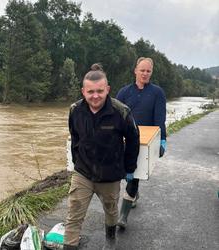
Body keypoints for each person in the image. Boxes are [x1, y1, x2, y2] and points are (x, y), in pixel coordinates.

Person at [64, 63, 140, 250]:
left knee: (111, 210)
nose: (95, 96)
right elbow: (74, 137)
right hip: (83, 173)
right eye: (90, 92)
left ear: (107, 89)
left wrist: (129, 169)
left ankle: (110, 239)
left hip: (110, 174)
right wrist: (76, 162)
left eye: (100, 91)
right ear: (83, 91)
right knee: (73, 215)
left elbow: (133, 139)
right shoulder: (75, 110)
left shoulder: (121, 111)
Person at [116, 57, 167, 229]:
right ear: (135, 71)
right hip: (124, 138)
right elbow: (116, 117)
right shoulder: (123, 92)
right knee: (124, 174)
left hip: (145, 142)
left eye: (148, 71)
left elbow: (160, 119)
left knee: (134, 175)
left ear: (151, 73)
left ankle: (123, 216)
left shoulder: (157, 93)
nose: (145, 73)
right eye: (142, 70)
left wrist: (162, 140)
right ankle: (134, 194)